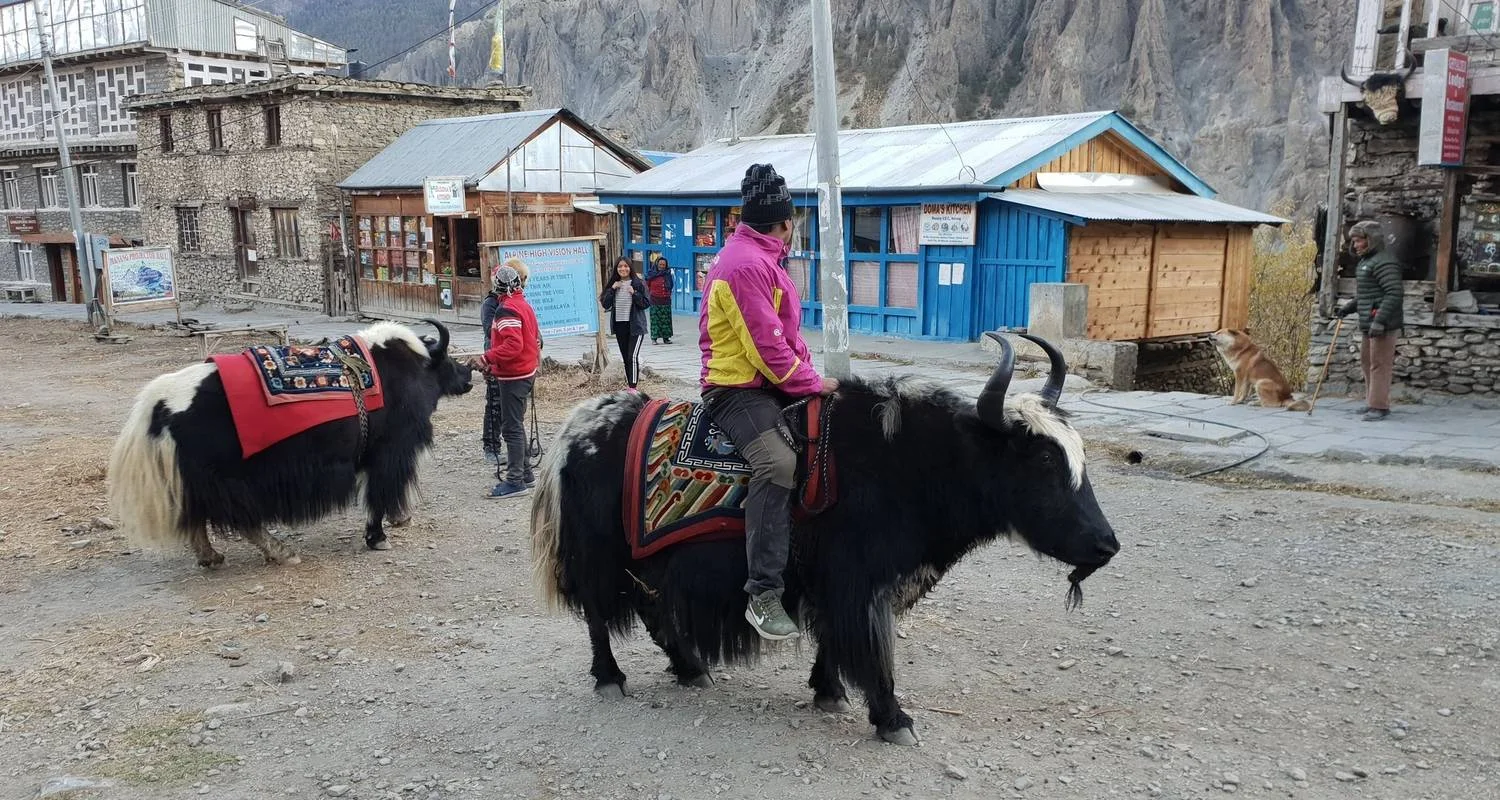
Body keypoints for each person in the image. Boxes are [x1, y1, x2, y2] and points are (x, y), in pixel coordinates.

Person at [699, 163, 838, 641]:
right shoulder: (744, 265)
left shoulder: (762, 258)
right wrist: (811, 383)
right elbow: (767, 348)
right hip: (736, 389)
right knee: (777, 463)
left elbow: (788, 339)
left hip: (768, 383)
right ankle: (762, 593)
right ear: (785, 222)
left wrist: (813, 376)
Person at [478, 265, 541, 498]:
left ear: (498, 286)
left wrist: (487, 358)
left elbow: (513, 345)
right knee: (516, 423)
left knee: (511, 428)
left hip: (514, 375)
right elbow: (533, 339)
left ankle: (515, 481)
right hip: (526, 371)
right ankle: (525, 473)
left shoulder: (506, 309)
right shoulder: (523, 304)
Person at [1337, 219, 1404, 422]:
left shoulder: (1385, 262)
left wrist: (1380, 320)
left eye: (1359, 240)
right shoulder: (1366, 262)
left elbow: (1394, 293)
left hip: (1382, 322)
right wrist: (1348, 308)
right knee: (1367, 362)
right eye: (1354, 241)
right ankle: (1371, 401)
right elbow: (1367, 295)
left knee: (1380, 364)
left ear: (1372, 240)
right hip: (1369, 321)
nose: (1355, 245)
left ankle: (1379, 406)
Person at [600, 257, 650, 392]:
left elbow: (646, 303)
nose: (623, 269)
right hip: (620, 326)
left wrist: (635, 293)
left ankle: (633, 388)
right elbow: (605, 304)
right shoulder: (614, 284)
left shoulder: (638, 283)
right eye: (620, 266)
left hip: (636, 326)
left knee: (632, 356)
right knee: (626, 357)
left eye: (626, 266)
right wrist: (612, 289)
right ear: (616, 269)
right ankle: (629, 386)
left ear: (630, 268)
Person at [645, 256, 675, 344]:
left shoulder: (668, 274)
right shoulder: (651, 274)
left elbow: (671, 285)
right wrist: (651, 293)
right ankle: (654, 338)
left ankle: (666, 338)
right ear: (657, 264)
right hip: (655, 299)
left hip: (666, 299)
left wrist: (668, 293)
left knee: (666, 320)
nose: (662, 266)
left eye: (663, 265)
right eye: (660, 264)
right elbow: (647, 285)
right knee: (655, 320)